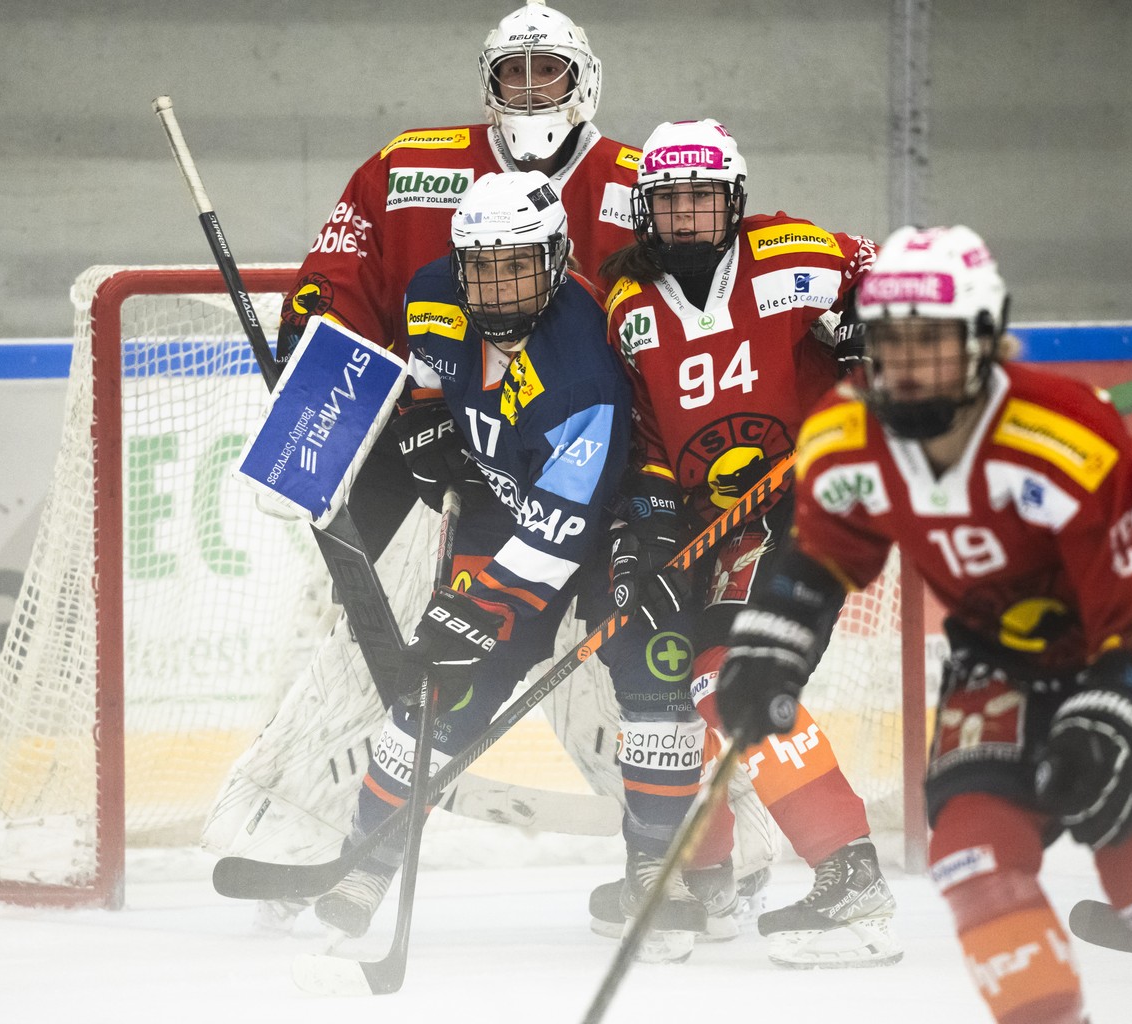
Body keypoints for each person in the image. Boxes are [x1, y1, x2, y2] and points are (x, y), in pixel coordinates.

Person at [714, 224, 1132, 1022]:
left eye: (932, 345)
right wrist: (769, 648)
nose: (907, 370)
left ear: (984, 342)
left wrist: (1106, 717)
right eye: (890, 345)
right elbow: (822, 559)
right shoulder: (844, 434)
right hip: (1006, 651)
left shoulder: (1063, 435)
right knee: (972, 854)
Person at [311, 171, 710, 965]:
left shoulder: (582, 365)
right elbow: (425, 365)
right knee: (442, 693)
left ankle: (658, 872)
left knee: (654, 673)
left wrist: (477, 611)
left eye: (519, 264)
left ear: (558, 258)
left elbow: (561, 529)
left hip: (610, 521)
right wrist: (425, 421)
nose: (498, 285)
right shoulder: (433, 291)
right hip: (500, 506)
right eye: (482, 266)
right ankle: (370, 854)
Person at [590, 118, 901, 968]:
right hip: (719, 520)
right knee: (692, 677)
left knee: (740, 677)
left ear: (736, 201)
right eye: (670, 203)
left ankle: (851, 877)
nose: (688, 218)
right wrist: (648, 532)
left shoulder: (793, 252)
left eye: (703, 200)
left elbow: (891, 273)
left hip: (821, 495)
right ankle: (706, 877)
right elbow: (649, 442)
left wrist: (884, 325)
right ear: (645, 211)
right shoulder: (629, 306)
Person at [277, 0, 640, 562]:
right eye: (512, 71)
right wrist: (305, 360)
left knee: (552, 609)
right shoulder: (406, 166)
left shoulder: (643, 185)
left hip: (577, 438)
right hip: (422, 423)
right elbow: (342, 279)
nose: (526, 88)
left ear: (582, 79)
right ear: (489, 81)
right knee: (365, 607)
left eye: (546, 69)